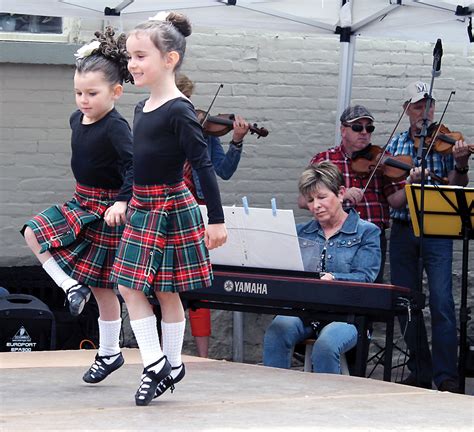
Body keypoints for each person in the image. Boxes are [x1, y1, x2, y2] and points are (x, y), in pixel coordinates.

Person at [110, 12, 227, 406]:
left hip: (170, 205)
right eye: (130, 57)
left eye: (141, 56)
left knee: (164, 290)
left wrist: (216, 219)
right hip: (143, 204)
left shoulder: (179, 109)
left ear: (170, 59)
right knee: (131, 285)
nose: (132, 64)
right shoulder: (142, 108)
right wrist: (125, 198)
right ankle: (164, 363)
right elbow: (137, 163)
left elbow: (204, 164)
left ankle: (161, 364)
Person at [21, 28, 133, 384]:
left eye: (92, 93)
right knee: (33, 232)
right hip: (80, 199)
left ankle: (110, 352)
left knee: (103, 288)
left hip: (105, 208)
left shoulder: (117, 127)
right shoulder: (75, 119)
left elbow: (135, 167)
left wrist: (122, 202)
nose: (83, 100)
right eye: (78, 93)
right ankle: (70, 285)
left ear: (115, 92)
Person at [386, 81, 471, 393]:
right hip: (404, 231)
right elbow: (392, 200)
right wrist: (410, 185)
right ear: (407, 110)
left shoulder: (447, 140)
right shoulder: (394, 147)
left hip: (437, 231)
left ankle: (446, 375)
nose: (425, 112)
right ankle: (421, 369)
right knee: (405, 302)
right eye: (418, 106)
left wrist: (461, 164)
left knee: (442, 302)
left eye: (429, 105)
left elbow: (456, 187)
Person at [263, 161, 381, 373]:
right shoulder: (301, 232)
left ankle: (326, 402)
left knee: (326, 346)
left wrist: (333, 278)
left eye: (322, 197)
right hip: (306, 312)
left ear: (341, 193)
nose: (315, 205)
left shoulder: (367, 232)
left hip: (348, 315)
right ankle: (275, 394)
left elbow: (365, 277)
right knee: (277, 330)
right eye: (310, 200)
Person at [176, 73, 250, 358]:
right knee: (165, 286)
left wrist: (237, 141)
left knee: (199, 285)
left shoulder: (203, 134)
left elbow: (224, 171)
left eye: (189, 101)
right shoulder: (157, 128)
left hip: (196, 213)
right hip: (166, 210)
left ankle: (203, 356)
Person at [305, 105, 408, 283]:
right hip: (334, 237)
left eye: (369, 128)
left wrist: (410, 184)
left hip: (371, 238)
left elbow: (395, 201)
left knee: (370, 294)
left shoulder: (383, 159)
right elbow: (303, 200)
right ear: (343, 130)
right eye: (357, 127)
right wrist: (339, 196)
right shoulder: (325, 160)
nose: (364, 132)